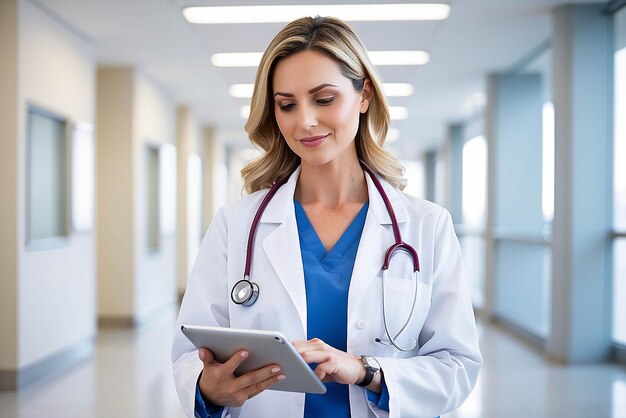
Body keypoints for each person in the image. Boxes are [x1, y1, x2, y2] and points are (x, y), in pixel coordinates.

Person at [172, 15, 482, 418]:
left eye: (323, 99)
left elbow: (457, 367)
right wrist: (208, 389)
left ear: (364, 95)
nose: (305, 121)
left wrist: (366, 372)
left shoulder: (426, 226)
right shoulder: (237, 225)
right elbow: (188, 356)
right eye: (287, 105)